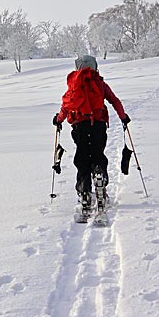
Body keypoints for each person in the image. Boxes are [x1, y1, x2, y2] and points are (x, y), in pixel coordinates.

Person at [52, 55, 130, 213]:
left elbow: (66, 106)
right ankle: (99, 176)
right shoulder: (100, 83)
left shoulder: (74, 85)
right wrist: (123, 117)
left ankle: (84, 192)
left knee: (82, 158)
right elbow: (115, 101)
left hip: (79, 126)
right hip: (98, 125)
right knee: (97, 154)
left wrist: (58, 119)